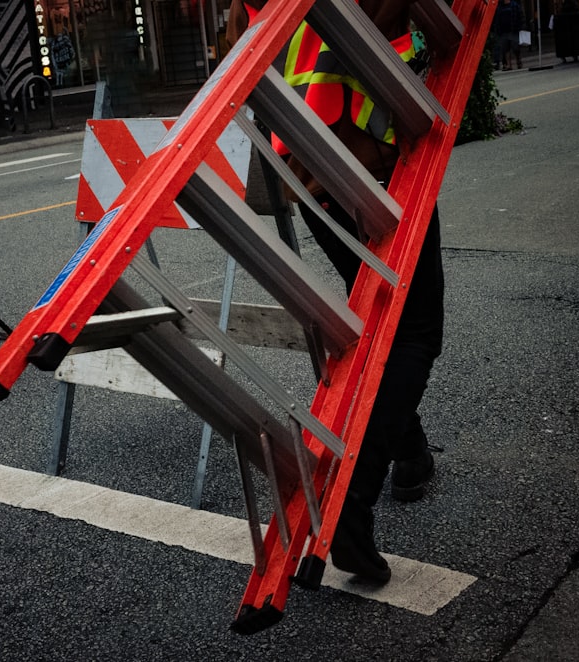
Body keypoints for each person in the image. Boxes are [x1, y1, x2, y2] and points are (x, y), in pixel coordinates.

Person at [227, 0, 443, 584]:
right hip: (372, 154)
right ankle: (352, 503)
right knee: (416, 329)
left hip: (307, 158)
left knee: (381, 321)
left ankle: (409, 454)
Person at [494, 0, 526, 70]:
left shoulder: (514, 5)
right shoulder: (499, 7)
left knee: (516, 48)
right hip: (503, 31)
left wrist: (521, 26)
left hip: (513, 30)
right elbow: (497, 19)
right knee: (505, 48)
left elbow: (520, 15)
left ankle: (518, 61)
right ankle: (509, 65)